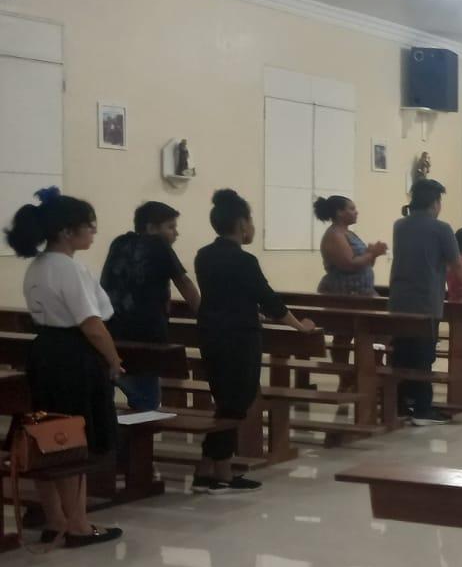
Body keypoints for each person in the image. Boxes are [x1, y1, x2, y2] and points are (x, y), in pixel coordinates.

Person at [6, 188, 122, 546]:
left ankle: (55, 519)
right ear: (66, 232)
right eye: (89, 225)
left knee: (47, 435)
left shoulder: (37, 267)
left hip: (46, 354)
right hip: (74, 356)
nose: (93, 232)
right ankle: (79, 525)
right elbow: (91, 324)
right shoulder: (69, 269)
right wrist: (114, 359)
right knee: (74, 439)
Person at [194, 189, 317, 492]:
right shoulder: (244, 260)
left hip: (211, 334)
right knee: (236, 403)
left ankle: (208, 467)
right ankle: (219, 471)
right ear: (240, 223)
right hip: (239, 337)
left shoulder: (204, 255)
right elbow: (269, 300)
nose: (252, 227)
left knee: (226, 400)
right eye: (250, 221)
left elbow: (226, 295)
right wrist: (299, 326)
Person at [100, 200, 201, 410]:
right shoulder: (158, 244)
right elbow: (183, 282)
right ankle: (137, 439)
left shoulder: (119, 242)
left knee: (112, 397)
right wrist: (204, 313)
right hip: (146, 335)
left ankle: (116, 439)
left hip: (112, 331)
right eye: (170, 227)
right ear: (151, 228)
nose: (176, 233)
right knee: (146, 401)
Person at [389, 178, 462, 426]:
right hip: (426, 301)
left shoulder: (400, 225)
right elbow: (457, 265)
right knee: (423, 356)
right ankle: (422, 408)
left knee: (401, 354)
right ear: (435, 202)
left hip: (399, 300)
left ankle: (400, 404)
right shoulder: (441, 229)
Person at [314, 196, 387, 296]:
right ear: (339, 212)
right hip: (345, 297)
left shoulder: (348, 233)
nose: (356, 212)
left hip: (361, 293)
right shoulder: (335, 235)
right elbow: (349, 265)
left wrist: (372, 254)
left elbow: (365, 265)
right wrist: (371, 254)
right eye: (352, 209)